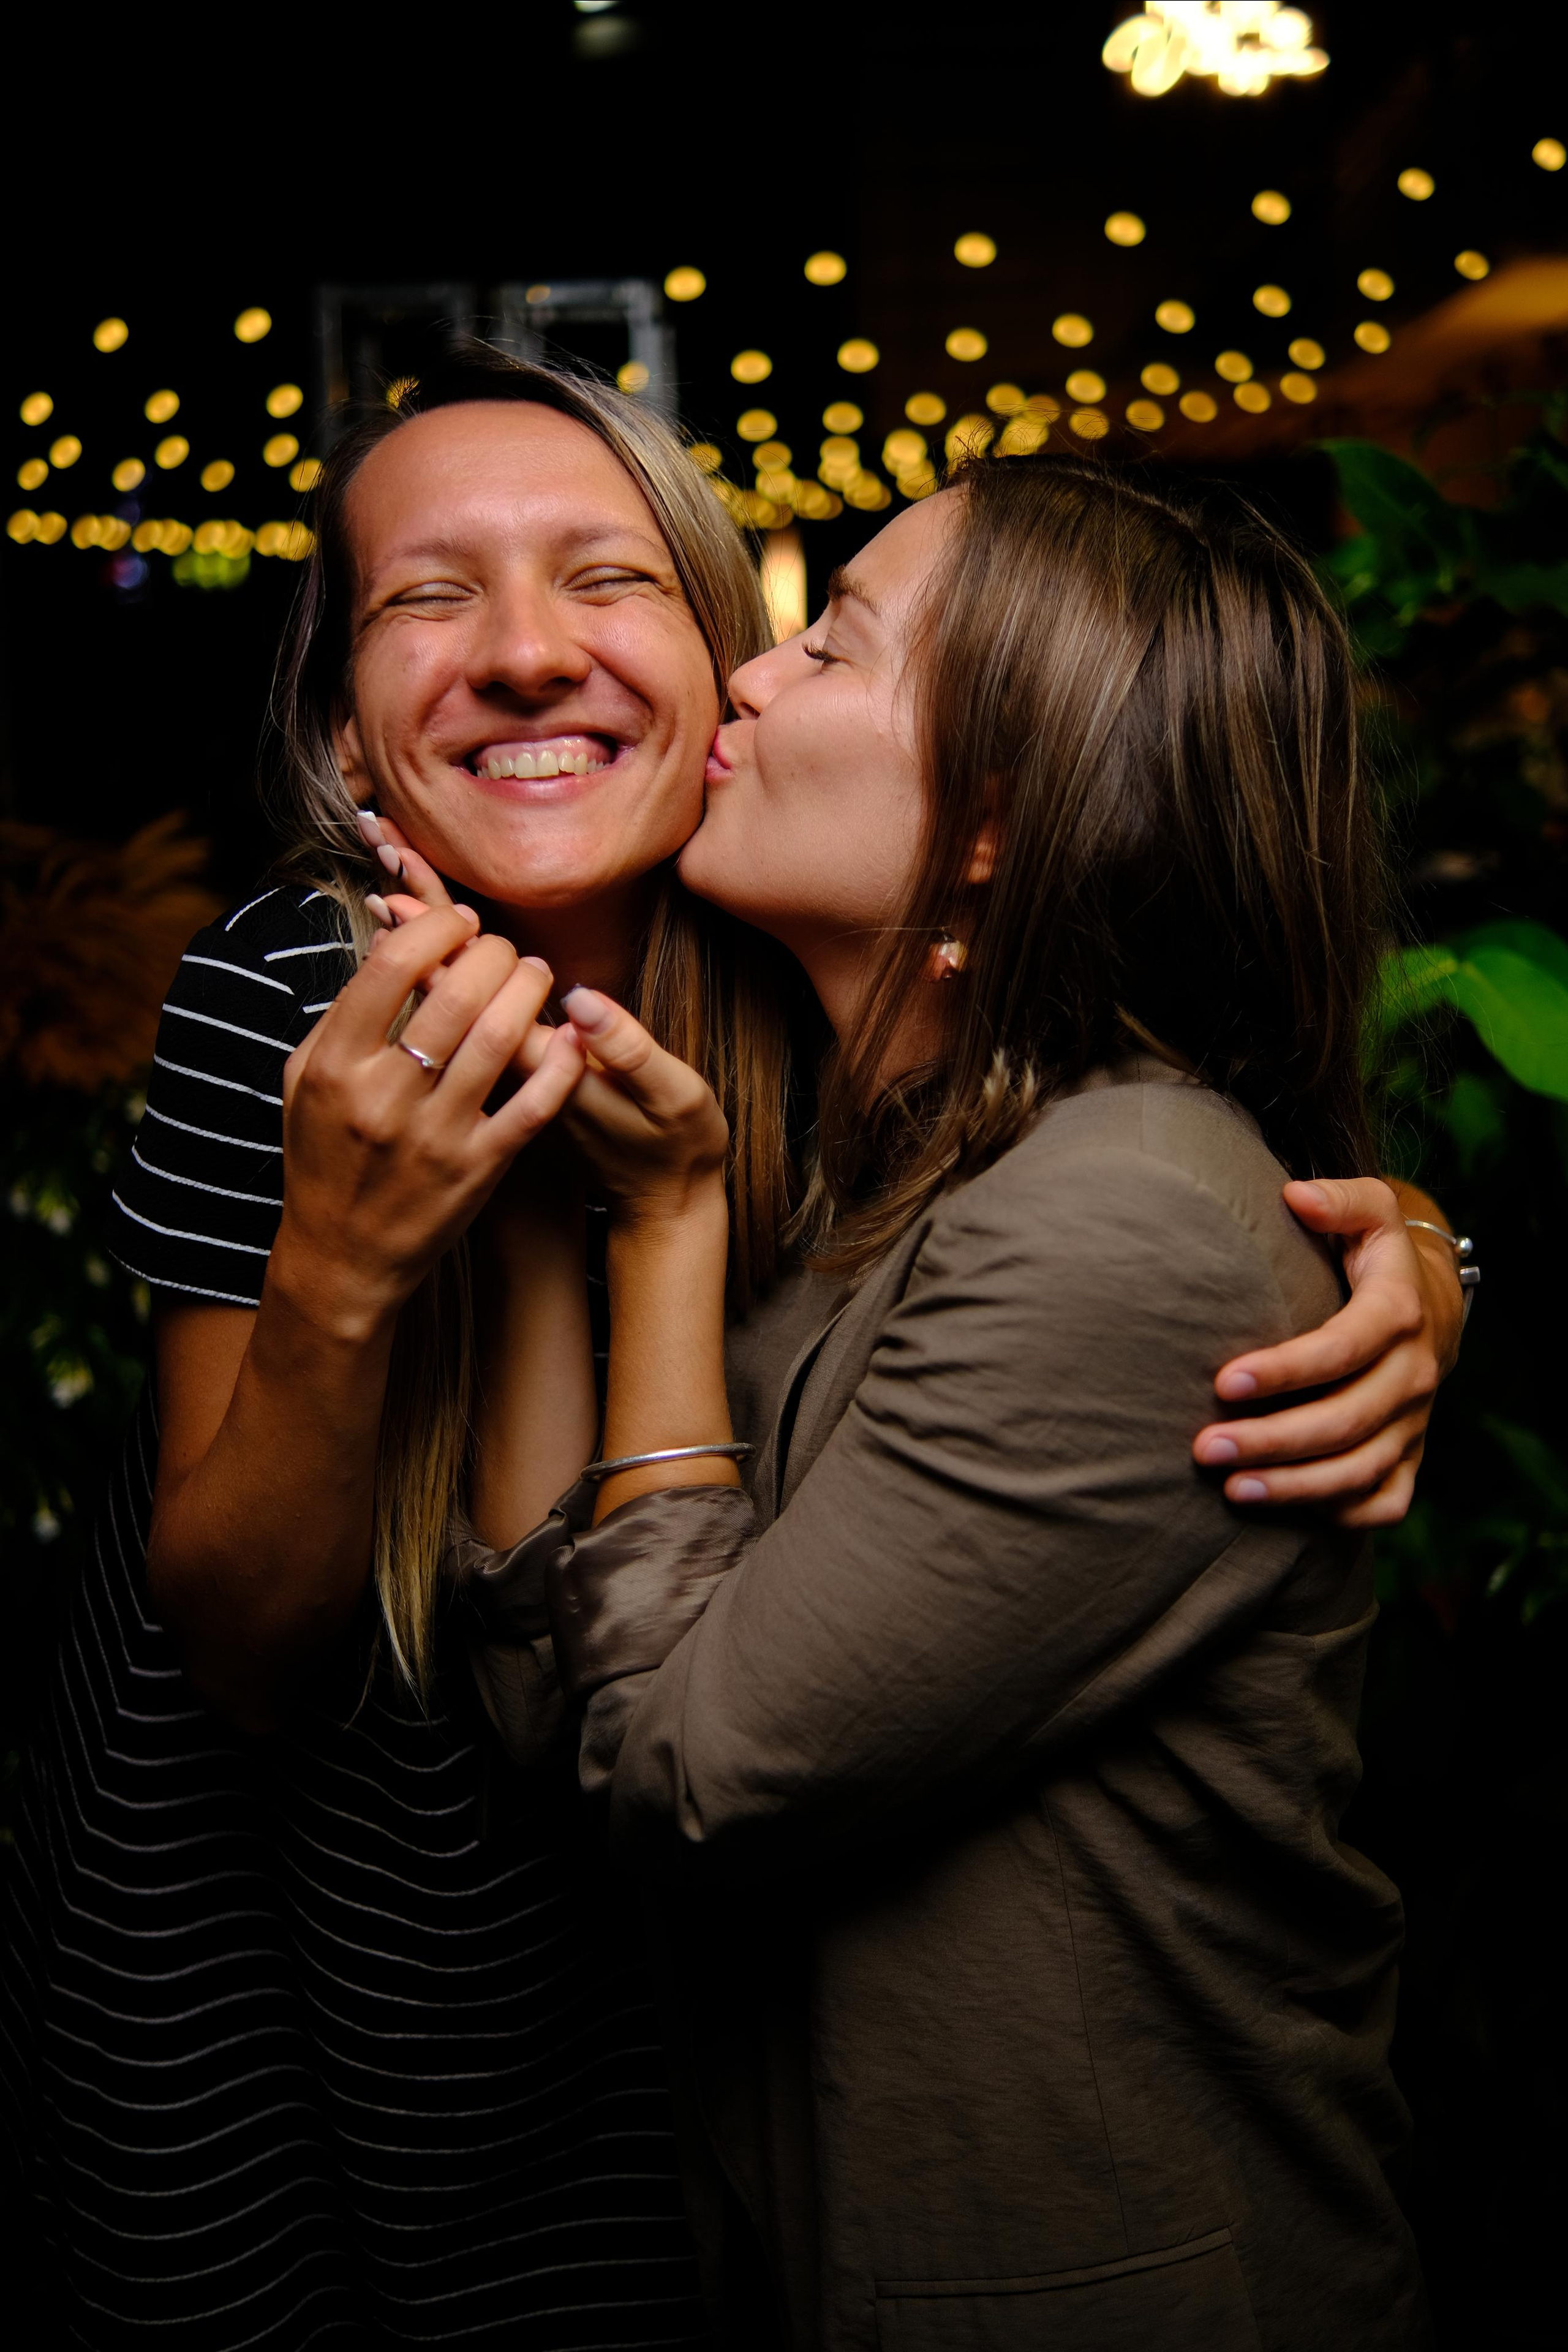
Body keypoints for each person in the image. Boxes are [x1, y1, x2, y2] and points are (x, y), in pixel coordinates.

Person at [0, 353, 1452, 2345]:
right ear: (343, 731)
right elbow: (245, 1659)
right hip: (314, 1933)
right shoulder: (301, 995)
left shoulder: (795, 974)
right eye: (428, 598)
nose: (524, 654)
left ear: (714, 658)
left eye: (608, 579)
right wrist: (345, 1262)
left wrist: (1406, 1259)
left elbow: (1112, 1190)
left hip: (706, 1995)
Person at [473, 454, 1445, 2348]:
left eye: (831, 645)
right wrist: (542, 1219)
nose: (749, 680)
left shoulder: (1114, 1214)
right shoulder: (881, 1184)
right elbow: (552, 1696)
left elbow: (678, 1775)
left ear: (992, 816)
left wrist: (661, 1229)